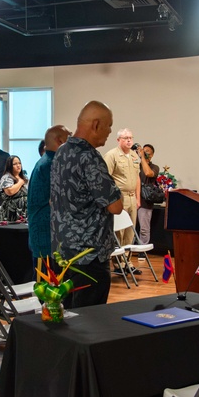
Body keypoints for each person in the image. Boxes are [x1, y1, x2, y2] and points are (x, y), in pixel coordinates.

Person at [50, 101, 123, 308]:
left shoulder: (62, 152)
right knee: (89, 322)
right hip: (88, 256)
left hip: (63, 251)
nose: (110, 131)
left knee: (66, 314)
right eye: (109, 125)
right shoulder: (89, 157)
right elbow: (115, 206)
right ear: (96, 124)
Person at [28, 124, 70, 268]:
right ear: (60, 141)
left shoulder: (48, 161)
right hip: (46, 233)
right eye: (68, 139)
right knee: (46, 285)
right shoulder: (51, 163)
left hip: (47, 231)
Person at [103, 128, 141, 256]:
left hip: (132, 197)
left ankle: (127, 263)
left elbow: (137, 178)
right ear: (118, 140)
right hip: (119, 197)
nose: (129, 140)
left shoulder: (134, 155)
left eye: (131, 137)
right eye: (126, 138)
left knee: (130, 231)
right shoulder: (112, 155)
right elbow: (105, 178)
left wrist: (138, 199)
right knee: (119, 232)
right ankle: (119, 263)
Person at [137, 143, 160, 247]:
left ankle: (143, 249)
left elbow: (148, 173)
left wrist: (143, 158)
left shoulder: (155, 167)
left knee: (144, 228)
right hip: (133, 199)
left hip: (145, 201)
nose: (144, 153)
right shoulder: (135, 165)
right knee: (129, 227)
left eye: (147, 152)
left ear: (152, 155)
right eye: (143, 150)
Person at [0, 156, 28, 222]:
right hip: (11, 211)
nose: (18, 165)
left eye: (19, 163)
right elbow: (10, 191)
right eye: (15, 164)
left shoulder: (24, 177)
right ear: (10, 166)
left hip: (24, 211)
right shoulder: (6, 177)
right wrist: (20, 182)